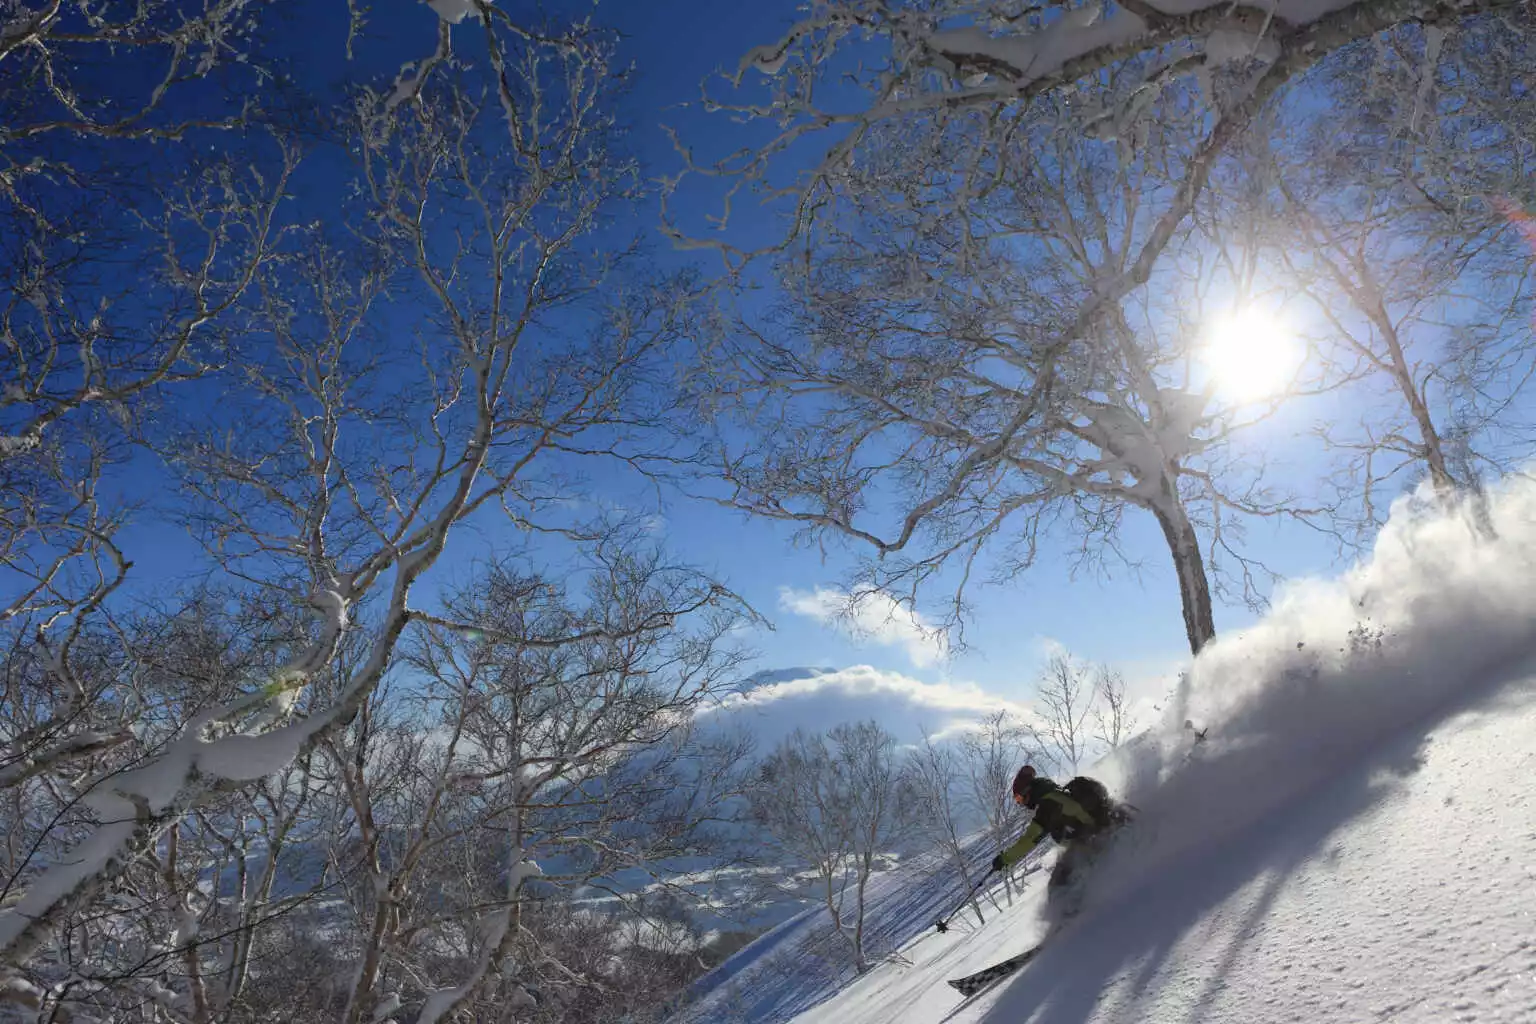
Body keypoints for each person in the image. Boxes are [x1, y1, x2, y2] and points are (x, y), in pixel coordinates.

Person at [990, 765, 1120, 905]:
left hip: (1095, 839)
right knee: (1063, 872)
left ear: (1028, 791)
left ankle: (1077, 910)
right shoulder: (1056, 794)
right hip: (1094, 836)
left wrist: (1004, 859)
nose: (1021, 803)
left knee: (1058, 884)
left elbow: (1028, 840)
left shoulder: (1048, 806)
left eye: (1019, 798)